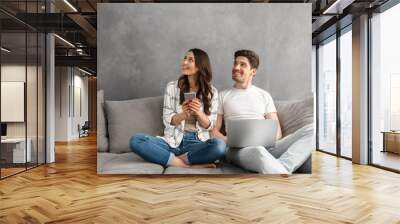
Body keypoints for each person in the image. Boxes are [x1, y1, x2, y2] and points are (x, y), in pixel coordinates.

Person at [130, 48, 226, 168]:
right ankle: (184, 165)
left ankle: (172, 160)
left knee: (219, 146)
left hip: (196, 142)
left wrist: (199, 112)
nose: (184, 62)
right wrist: (183, 114)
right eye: (185, 58)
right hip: (171, 142)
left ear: (200, 65)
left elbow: (210, 126)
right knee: (136, 140)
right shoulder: (172, 87)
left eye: (190, 60)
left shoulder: (212, 92)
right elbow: (167, 120)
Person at [211, 49, 292, 174]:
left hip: (267, 147)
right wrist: (228, 141)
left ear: (253, 71)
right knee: (257, 151)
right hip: (238, 150)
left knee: (309, 131)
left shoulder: (264, 95)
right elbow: (213, 131)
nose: (236, 67)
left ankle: (284, 167)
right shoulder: (222, 96)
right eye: (235, 63)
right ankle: (284, 173)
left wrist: (262, 141)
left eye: (242, 64)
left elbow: (277, 133)